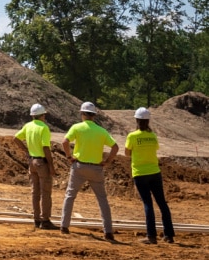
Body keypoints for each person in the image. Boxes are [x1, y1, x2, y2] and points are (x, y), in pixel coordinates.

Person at [60, 101, 118, 240]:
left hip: (79, 166)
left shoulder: (77, 128)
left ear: (82, 114)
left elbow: (65, 142)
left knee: (70, 196)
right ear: (94, 116)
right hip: (96, 169)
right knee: (102, 199)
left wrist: (69, 156)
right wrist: (108, 161)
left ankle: (64, 226)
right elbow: (115, 147)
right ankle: (108, 231)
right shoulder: (101, 131)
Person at [125, 107, 175, 244]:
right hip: (154, 172)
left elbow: (127, 153)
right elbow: (156, 148)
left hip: (140, 173)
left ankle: (151, 236)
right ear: (148, 121)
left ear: (137, 120)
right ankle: (169, 235)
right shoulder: (153, 136)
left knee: (148, 203)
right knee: (162, 203)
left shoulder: (132, 136)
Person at [14, 103, 57, 229]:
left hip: (32, 162)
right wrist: (51, 165)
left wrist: (26, 150)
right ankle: (45, 221)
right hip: (41, 162)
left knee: (35, 192)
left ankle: (36, 219)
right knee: (45, 192)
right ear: (42, 115)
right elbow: (45, 148)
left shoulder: (28, 126)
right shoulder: (43, 128)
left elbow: (15, 138)